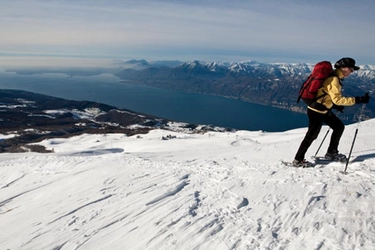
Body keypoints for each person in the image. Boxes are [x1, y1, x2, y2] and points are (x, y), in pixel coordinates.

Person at [293, 57, 370, 168]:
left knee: (338, 127)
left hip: (322, 109)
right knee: (311, 135)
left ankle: (331, 152)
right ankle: (298, 160)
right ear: (343, 68)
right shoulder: (334, 80)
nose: (352, 71)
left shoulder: (335, 77)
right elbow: (337, 99)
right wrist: (359, 100)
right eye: (350, 69)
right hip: (317, 111)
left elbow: (326, 94)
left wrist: (334, 105)